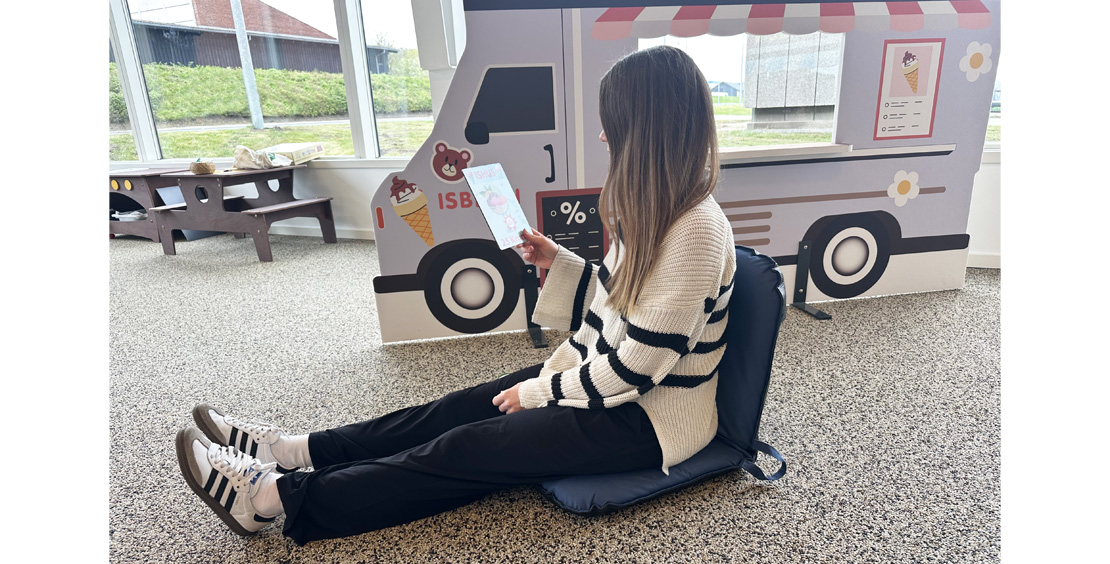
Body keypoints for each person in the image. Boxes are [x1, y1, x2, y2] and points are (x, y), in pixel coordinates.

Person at [175, 45, 737, 546]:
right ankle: (292, 451)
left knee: (467, 448)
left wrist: (540, 392)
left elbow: (637, 369)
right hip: (607, 383)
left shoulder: (695, 231)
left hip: (648, 419)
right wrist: (560, 264)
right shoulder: (656, 211)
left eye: (610, 123)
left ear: (644, 129)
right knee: (452, 410)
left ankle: (269, 497)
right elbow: (622, 305)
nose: (602, 136)